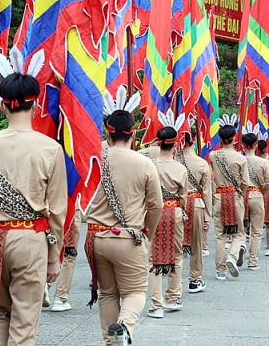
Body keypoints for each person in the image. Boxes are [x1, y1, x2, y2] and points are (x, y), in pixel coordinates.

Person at [0, 52, 67, 346]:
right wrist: (54, 254)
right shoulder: (49, 148)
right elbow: (57, 209)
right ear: (35, 103)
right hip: (29, 239)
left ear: (2, 104)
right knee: (24, 320)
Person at [88, 87, 162, 345]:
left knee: (108, 293)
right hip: (128, 237)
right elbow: (156, 206)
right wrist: (147, 232)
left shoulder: (93, 158)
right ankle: (124, 326)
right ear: (132, 134)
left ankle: (110, 341)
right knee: (135, 292)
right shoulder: (144, 163)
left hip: (96, 237)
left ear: (108, 132)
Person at [147, 125, 190, 319]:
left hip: (153, 212)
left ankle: (156, 304)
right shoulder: (180, 168)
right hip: (174, 211)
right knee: (176, 255)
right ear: (175, 144)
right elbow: (184, 197)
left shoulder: (149, 164)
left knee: (153, 258)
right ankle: (173, 296)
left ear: (158, 142)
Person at [208, 118, 248, 280]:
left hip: (218, 196)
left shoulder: (213, 156)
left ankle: (220, 271)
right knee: (239, 233)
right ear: (234, 138)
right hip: (234, 196)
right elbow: (245, 182)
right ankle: (232, 255)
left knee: (220, 235)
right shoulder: (241, 158)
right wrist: (240, 192)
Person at [178, 132, 212, 294]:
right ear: (193, 142)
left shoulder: (173, 161)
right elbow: (206, 192)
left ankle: (175, 280)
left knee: (175, 244)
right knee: (196, 245)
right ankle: (195, 279)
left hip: (175, 205)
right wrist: (207, 216)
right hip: (196, 204)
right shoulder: (202, 163)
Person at [241, 132, 269, 270]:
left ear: (242, 145)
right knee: (256, 230)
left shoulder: (238, 160)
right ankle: (253, 260)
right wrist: (262, 191)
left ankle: (241, 247)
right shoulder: (263, 162)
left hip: (242, 195)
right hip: (256, 194)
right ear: (256, 145)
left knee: (240, 229)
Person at [47, 208, 81, 312]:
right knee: (69, 256)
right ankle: (60, 298)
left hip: (49, 207)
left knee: (49, 247)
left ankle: (44, 286)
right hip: (72, 205)